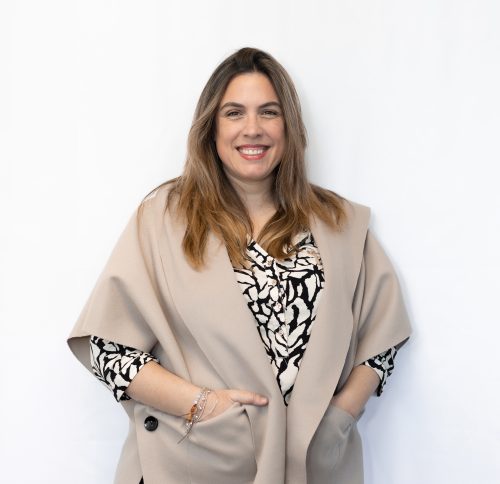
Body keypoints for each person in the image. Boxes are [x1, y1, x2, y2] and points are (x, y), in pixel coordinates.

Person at [68, 47, 412, 484]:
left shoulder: (339, 222)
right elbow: (107, 348)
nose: (253, 129)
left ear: (289, 126)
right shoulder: (164, 219)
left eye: (269, 112)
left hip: (309, 467)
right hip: (193, 463)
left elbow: (382, 340)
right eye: (234, 113)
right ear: (211, 127)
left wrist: (341, 415)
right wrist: (202, 407)